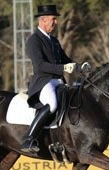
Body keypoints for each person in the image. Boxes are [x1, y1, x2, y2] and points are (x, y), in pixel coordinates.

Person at [21, 4, 91, 153]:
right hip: (43, 82)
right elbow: (40, 65)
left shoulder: (54, 41)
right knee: (52, 104)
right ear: (43, 20)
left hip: (59, 82)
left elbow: (65, 60)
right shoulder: (33, 41)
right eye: (53, 19)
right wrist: (63, 69)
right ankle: (28, 139)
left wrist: (79, 67)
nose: (56, 22)